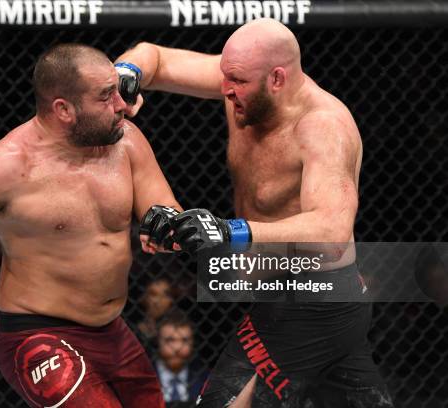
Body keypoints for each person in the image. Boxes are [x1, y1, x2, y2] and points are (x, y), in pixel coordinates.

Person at [116, 18, 393, 407]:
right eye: (226, 76)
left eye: (238, 81)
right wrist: (127, 73)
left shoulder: (322, 126)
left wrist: (230, 232)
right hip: (277, 291)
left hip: (314, 298)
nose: (225, 88)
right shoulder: (241, 88)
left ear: (277, 78)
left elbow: (333, 224)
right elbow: (156, 58)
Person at [0, 43, 183, 407]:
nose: (122, 104)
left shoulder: (126, 141)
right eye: (105, 96)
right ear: (63, 109)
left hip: (111, 329)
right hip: (35, 332)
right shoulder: (2, 167)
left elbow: (164, 207)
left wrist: (167, 223)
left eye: (117, 90)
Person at [154, 311, 207, 407]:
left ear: (193, 343)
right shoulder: (140, 378)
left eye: (185, 340)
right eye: (170, 340)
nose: (177, 348)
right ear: (158, 341)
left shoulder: (205, 379)